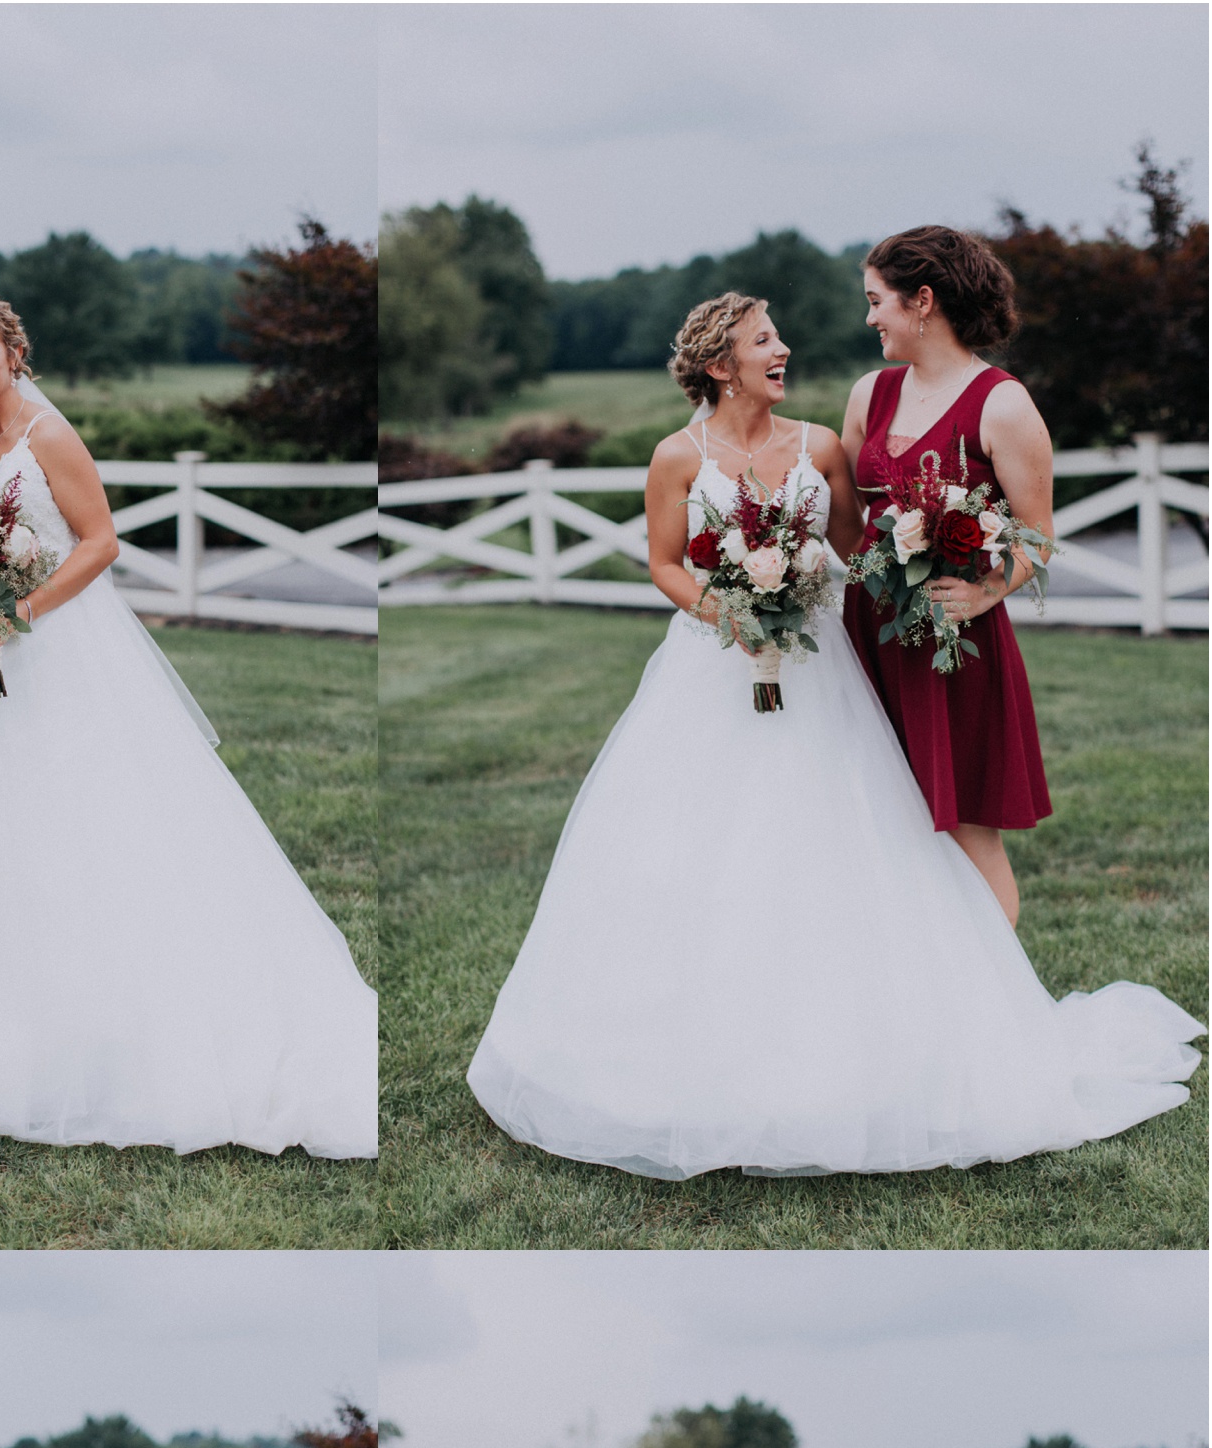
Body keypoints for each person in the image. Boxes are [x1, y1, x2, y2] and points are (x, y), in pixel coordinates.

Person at [468, 292, 1201, 1178]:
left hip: (821, 675)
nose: (783, 350)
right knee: (693, 852)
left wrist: (911, 566)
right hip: (712, 669)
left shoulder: (821, 446)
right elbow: (664, 560)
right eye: (761, 341)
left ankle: (875, 1039)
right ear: (717, 365)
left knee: (839, 845)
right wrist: (725, 609)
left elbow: (858, 553)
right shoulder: (673, 457)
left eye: (777, 337)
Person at [0, 293, 378, 1159]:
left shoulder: (45, 434)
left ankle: (111, 1017)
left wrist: (20, 610)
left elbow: (99, 540)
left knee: (86, 820)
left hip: (53, 650)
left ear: (12, 350)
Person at [841, 226, 1053, 924]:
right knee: (869, 826)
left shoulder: (1001, 403)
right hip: (864, 641)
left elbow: (1037, 536)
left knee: (967, 832)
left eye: (877, 301)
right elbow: (845, 522)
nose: (868, 316)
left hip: (950, 650)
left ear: (921, 300)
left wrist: (981, 592)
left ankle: (998, 1016)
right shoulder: (867, 395)